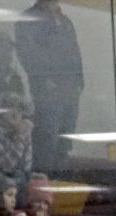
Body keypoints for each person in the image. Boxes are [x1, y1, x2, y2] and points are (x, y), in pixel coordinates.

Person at [14, 0, 83, 170]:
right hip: (48, 91)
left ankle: (59, 183)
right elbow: (27, 53)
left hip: (69, 90)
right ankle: (43, 185)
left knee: (66, 139)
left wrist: (79, 81)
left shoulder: (65, 21)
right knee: (47, 139)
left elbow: (75, 51)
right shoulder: (28, 18)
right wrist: (44, 80)